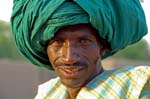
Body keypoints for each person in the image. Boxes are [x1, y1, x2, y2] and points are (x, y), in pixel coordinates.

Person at [11, 0, 150, 99]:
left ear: (103, 46)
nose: (69, 58)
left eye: (83, 42)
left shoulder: (136, 88)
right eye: (57, 42)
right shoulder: (47, 94)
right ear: (45, 49)